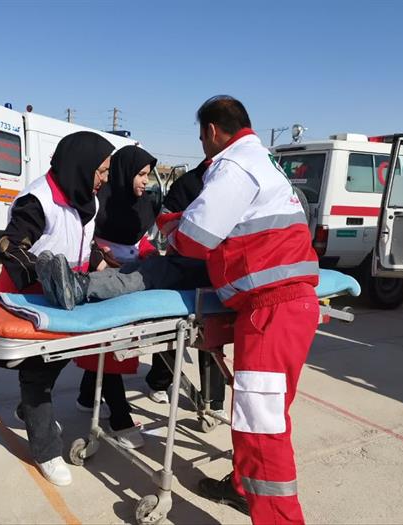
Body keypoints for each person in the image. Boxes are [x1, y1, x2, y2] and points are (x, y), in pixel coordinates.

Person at [39, 96, 319, 523]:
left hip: (268, 308)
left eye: (201, 137)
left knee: (261, 427)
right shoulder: (265, 163)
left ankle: (279, 517)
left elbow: (194, 239)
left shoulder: (234, 166)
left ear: (211, 131)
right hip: (284, 301)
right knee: (261, 418)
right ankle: (242, 487)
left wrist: (172, 226)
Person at [0, 131, 114, 487]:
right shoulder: (38, 200)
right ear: (81, 166)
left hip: (68, 297)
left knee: (59, 358)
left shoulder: (87, 198)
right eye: (102, 170)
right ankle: (45, 449)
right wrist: (45, 275)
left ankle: (28, 410)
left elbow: (82, 241)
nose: (105, 178)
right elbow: (10, 246)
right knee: (37, 373)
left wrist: (99, 262)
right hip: (33, 296)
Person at [75, 145, 159, 450]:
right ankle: (120, 419)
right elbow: (84, 240)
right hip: (103, 285)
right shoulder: (98, 202)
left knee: (109, 352)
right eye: (141, 174)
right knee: (109, 350)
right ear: (125, 172)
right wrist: (101, 259)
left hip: (130, 284)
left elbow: (141, 241)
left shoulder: (143, 205)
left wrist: (150, 257)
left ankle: (87, 396)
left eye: (148, 175)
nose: (145, 181)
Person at [144, 159, 228, 420]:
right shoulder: (188, 184)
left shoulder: (227, 184)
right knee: (173, 329)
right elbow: (165, 221)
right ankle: (160, 381)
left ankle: (213, 399)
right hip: (184, 264)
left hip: (213, 268)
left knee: (210, 334)